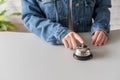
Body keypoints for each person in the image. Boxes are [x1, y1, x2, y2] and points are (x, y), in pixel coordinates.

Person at [22, 0, 111, 49]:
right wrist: (59, 32)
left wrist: (100, 26)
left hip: (89, 45)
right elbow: (30, 16)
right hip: (51, 48)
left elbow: (102, 7)